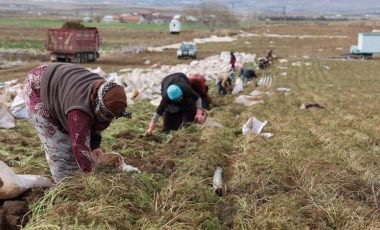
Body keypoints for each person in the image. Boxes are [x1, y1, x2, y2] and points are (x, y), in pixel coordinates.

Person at [22, 63, 132, 183]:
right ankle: (64, 185)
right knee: (61, 147)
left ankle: (73, 175)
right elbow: (79, 146)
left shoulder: (104, 91)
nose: (108, 120)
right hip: (38, 88)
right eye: (106, 115)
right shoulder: (79, 112)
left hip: (61, 84)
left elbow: (97, 120)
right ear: (98, 105)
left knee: (74, 141)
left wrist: (95, 145)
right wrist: (91, 178)